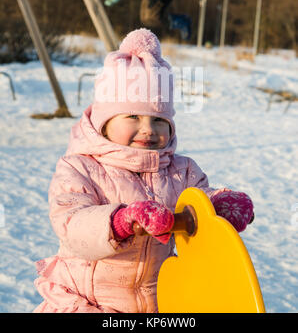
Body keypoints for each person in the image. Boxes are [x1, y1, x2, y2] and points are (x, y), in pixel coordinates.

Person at [33, 28, 254, 313]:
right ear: (105, 121)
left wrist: (218, 205)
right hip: (88, 302)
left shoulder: (181, 170)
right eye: (133, 116)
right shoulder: (79, 167)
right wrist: (121, 221)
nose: (148, 130)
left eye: (159, 119)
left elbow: (197, 201)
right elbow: (72, 225)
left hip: (157, 303)